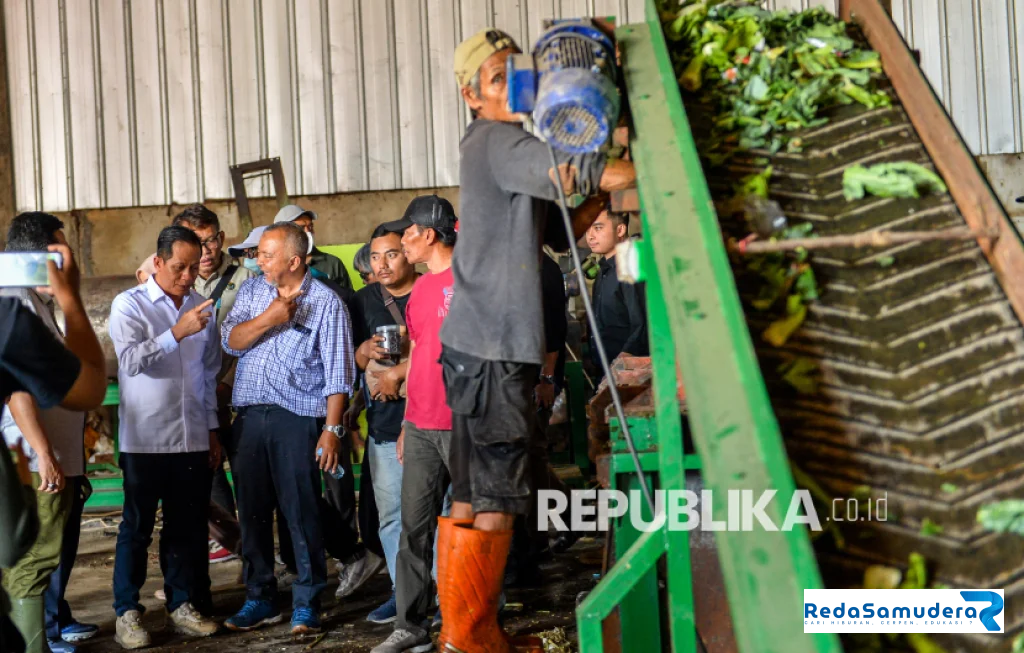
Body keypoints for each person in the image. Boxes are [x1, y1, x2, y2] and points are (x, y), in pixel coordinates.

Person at [436, 28, 636, 651]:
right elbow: (580, 169)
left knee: (470, 495)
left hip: (476, 347)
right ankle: (472, 638)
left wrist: (596, 196)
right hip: (494, 350)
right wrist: (653, 153)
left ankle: (464, 634)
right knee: (496, 494)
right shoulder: (502, 141)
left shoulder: (495, 146)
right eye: (498, 78)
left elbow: (558, 230)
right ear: (472, 95)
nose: (512, 84)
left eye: (514, 72)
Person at [221, 222, 355, 635]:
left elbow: (339, 375)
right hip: (247, 416)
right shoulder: (252, 292)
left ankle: (307, 600)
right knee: (254, 511)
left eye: (266, 254)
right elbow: (231, 341)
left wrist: (331, 430)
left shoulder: (327, 304)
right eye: (259, 254)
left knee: (301, 510)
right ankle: (260, 598)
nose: (258, 261)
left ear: (294, 261)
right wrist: (270, 318)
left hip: (296, 418)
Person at [108, 226, 223, 649]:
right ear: (157, 262)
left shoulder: (200, 306)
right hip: (145, 439)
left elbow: (208, 373)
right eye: (179, 267)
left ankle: (181, 606)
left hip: (191, 435)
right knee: (136, 527)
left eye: (194, 267)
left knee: (187, 527)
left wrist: (211, 430)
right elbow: (130, 361)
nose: (188, 276)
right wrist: (176, 332)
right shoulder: (130, 305)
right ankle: (127, 612)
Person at [1, 244, 107, 653]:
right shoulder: (9, 319)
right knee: (25, 559)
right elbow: (90, 387)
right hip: (16, 460)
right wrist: (71, 297)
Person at [370, 195, 457, 653]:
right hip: (421, 425)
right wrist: (407, 421)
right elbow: (421, 354)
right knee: (413, 528)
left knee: (469, 525)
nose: (402, 241)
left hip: (464, 423)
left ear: (429, 233)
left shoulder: (472, 280)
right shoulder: (422, 290)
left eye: (408, 233)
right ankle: (411, 625)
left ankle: (472, 617)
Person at [171, 204, 257, 565]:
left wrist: (226, 386)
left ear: (221, 239)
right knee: (208, 468)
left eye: (209, 242)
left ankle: (258, 555)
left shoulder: (247, 280)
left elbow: (255, 341)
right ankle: (231, 542)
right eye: (194, 243)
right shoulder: (175, 283)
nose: (204, 253)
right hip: (196, 398)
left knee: (250, 475)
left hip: (236, 395)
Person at [351, 222, 420, 624]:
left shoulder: (431, 293)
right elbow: (348, 364)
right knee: (391, 516)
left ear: (408, 253)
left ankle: (444, 590)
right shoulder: (361, 302)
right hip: (382, 426)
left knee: (438, 512)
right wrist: (362, 352)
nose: (382, 264)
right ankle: (403, 592)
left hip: (430, 423)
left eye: (391, 254)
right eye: (375, 256)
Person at [585, 209, 649, 370]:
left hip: (627, 372)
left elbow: (641, 324)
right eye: (588, 229)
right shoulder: (604, 271)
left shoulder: (629, 267)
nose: (590, 236)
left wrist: (625, 358)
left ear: (620, 230)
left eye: (598, 228)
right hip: (606, 370)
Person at [273, 204, 353, 290]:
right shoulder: (271, 265)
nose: (308, 232)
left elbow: (348, 299)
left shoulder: (332, 264)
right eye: (301, 227)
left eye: (310, 226)